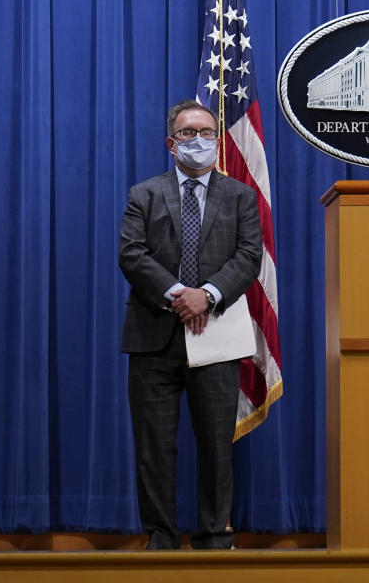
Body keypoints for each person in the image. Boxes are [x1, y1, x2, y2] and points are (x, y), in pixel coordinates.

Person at [118, 100, 262, 549]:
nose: (197, 141)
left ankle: (214, 538)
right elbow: (132, 254)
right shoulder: (144, 193)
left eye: (205, 132)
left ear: (217, 142)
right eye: (187, 133)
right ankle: (160, 538)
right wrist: (180, 296)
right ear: (170, 143)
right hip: (153, 337)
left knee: (217, 445)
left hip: (216, 337)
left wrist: (208, 295)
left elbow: (249, 256)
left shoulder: (240, 195)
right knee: (153, 447)